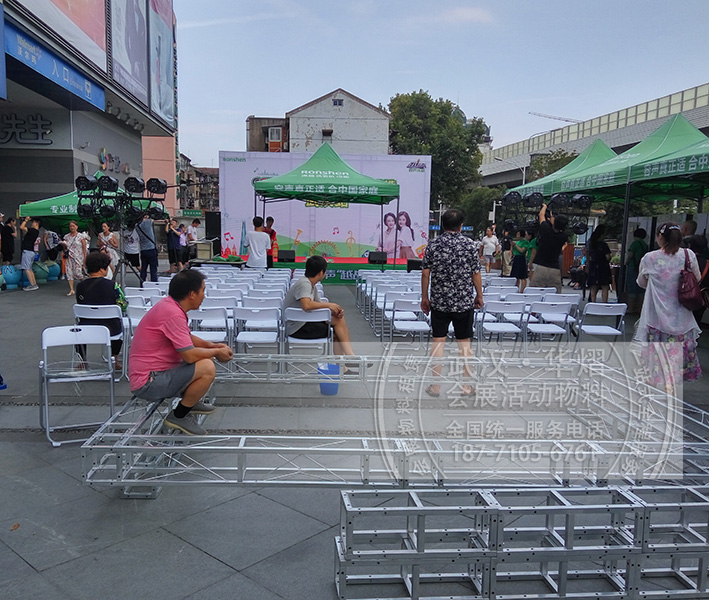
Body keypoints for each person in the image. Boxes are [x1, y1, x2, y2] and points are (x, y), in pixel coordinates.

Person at [129, 269, 233, 435]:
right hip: (148, 382)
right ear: (192, 294)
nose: (204, 296)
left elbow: (186, 337)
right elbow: (189, 356)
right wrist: (216, 352)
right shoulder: (172, 313)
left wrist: (212, 346)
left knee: (204, 361)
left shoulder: (170, 306)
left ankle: (190, 401)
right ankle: (179, 415)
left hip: (154, 375)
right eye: (203, 291)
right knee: (207, 367)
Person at [421, 208, 483, 398]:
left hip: (439, 302)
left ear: (442, 225)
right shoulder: (470, 245)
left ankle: (436, 386)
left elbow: (425, 273)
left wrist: (425, 297)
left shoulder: (433, 245)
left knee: (438, 341)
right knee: (464, 344)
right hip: (463, 302)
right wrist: (479, 295)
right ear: (461, 226)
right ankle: (466, 387)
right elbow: (475, 273)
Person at [635, 222, 702, 386]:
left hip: (656, 317)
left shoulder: (650, 258)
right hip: (682, 318)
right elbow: (697, 278)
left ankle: (658, 390)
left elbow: (641, 282)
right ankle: (672, 390)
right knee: (676, 362)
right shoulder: (688, 255)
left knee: (656, 362)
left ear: (660, 236)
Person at [283, 255, 362, 368]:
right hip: (297, 328)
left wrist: (333, 312)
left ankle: (345, 364)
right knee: (336, 331)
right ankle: (349, 358)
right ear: (321, 272)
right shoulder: (304, 284)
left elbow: (319, 308)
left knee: (338, 320)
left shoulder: (311, 286)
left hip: (303, 323)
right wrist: (329, 305)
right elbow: (307, 305)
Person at [76, 251, 124, 368]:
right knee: (119, 323)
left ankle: (82, 361)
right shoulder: (112, 285)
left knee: (78, 327)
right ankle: (115, 360)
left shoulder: (80, 286)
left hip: (86, 326)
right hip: (111, 328)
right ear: (102, 269)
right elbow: (123, 304)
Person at [532, 203, 568, 293]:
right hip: (555, 269)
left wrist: (544, 206)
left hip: (541, 267)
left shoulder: (546, 230)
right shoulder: (564, 236)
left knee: (535, 293)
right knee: (554, 294)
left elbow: (541, 215)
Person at [586, 224, 612, 303]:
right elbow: (608, 257)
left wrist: (588, 264)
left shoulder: (591, 243)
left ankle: (593, 303)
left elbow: (587, 254)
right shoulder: (604, 245)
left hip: (593, 266)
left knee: (593, 287)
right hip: (603, 267)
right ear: (602, 234)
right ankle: (604, 303)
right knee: (605, 287)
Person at [625, 228, 648, 314]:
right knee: (641, 289)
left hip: (633, 267)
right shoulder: (645, 245)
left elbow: (630, 255)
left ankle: (630, 308)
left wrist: (627, 262)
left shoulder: (635, 244)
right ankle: (640, 308)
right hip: (641, 268)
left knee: (632, 288)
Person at [688, 234, 709, 326]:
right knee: (696, 324)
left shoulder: (685, 260)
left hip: (684, 297)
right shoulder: (707, 263)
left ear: (690, 245)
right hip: (700, 299)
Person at [63, 220, 88, 296]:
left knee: (78, 273)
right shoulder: (66, 236)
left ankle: (85, 282)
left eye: (73, 226)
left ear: (77, 227)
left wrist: (84, 259)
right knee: (69, 272)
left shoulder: (81, 236)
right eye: (70, 226)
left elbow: (84, 249)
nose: (72, 227)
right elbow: (65, 247)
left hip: (78, 256)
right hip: (69, 256)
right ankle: (71, 289)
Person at [19, 216, 41, 291]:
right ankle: (34, 284)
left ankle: (32, 285)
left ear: (36, 224)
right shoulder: (36, 232)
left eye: (33, 222)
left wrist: (26, 220)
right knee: (29, 269)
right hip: (31, 251)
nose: (32, 224)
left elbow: (21, 227)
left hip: (27, 251)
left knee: (26, 269)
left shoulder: (33, 230)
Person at [136, 214, 158, 282]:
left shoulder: (137, 226)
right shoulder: (147, 223)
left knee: (144, 268)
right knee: (153, 268)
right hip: (151, 249)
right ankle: (154, 282)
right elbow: (154, 217)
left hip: (143, 250)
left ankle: (142, 282)